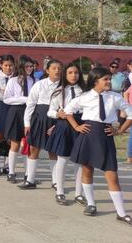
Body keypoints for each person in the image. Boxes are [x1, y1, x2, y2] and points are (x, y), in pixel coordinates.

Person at [65, 67, 132, 224]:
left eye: (109, 79)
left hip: (105, 137)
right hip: (88, 136)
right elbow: (68, 111)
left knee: (112, 175)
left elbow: (130, 113)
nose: (109, 82)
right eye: (106, 79)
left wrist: (120, 130)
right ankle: (91, 204)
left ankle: (121, 213)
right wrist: (76, 126)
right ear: (96, 81)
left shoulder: (115, 97)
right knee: (87, 171)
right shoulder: (85, 97)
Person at [44, 62, 85, 205]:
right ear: (65, 75)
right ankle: (60, 191)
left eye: (76, 72)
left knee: (80, 161)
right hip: (64, 127)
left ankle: (79, 193)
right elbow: (50, 111)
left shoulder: (85, 92)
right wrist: (57, 114)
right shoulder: (59, 92)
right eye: (70, 73)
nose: (74, 75)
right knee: (62, 159)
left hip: (81, 125)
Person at [20, 59, 62, 189]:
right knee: (34, 148)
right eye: (54, 68)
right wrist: (27, 123)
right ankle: (30, 180)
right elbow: (30, 104)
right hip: (39, 116)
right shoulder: (39, 85)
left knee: (53, 150)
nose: (57, 70)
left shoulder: (64, 86)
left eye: (59, 68)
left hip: (56, 118)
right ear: (47, 70)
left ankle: (55, 181)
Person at [3, 55, 36, 183]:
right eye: (27, 66)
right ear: (21, 67)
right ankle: (11, 171)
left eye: (31, 66)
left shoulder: (35, 81)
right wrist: (23, 99)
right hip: (16, 111)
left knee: (29, 144)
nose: (29, 69)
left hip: (31, 112)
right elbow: (6, 99)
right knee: (15, 143)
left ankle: (28, 174)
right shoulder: (13, 81)